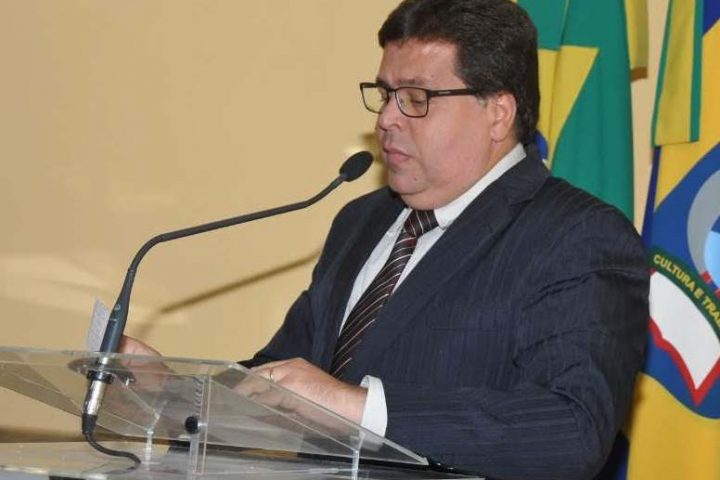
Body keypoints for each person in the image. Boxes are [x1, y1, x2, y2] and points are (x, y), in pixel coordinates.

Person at [122, 1, 649, 478]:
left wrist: (359, 408)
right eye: (385, 94)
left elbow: (571, 430)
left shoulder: (576, 235)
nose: (388, 119)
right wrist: (172, 393)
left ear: (498, 112)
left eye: (416, 98)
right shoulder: (362, 221)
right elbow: (282, 382)